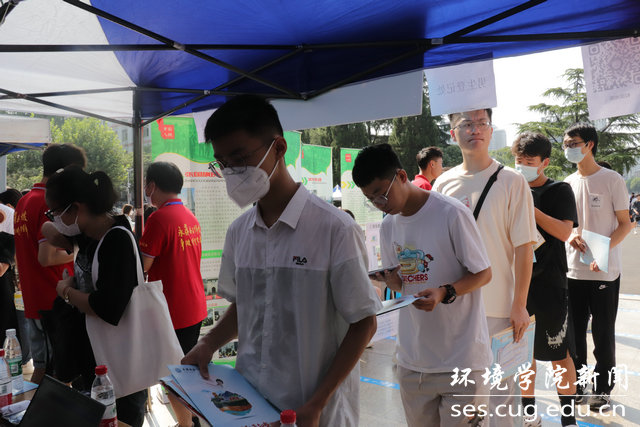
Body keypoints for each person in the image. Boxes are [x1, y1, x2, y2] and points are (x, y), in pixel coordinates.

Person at [183, 95, 382, 426]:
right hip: (250, 406)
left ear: (278, 148)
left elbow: (364, 322)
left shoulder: (334, 229)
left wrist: (316, 404)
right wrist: (208, 343)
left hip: (314, 411)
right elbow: (246, 306)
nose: (232, 172)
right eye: (223, 163)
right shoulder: (239, 232)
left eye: (240, 158)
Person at [353, 143, 492, 426]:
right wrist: (391, 280)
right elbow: (403, 284)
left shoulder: (451, 213)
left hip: (462, 361)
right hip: (413, 362)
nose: (380, 204)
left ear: (401, 176)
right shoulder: (389, 226)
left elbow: (484, 274)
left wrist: (445, 292)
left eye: (382, 194)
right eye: (371, 199)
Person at [432, 109, 536, 426]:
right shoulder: (443, 183)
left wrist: (519, 305)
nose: (474, 129)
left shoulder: (513, 181)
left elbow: (524, 248)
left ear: (491, 131)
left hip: (499, 310)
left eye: (481, 123)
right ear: (453, 134)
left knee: (500, 397)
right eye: (466, 124)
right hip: (456, 308)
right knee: (464, 395)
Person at [44, 166, 148, 427]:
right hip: (95, 361)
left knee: (120, 419)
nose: (54, 219)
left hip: (120, 366)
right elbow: (47, 230)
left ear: (76, 208)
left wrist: (66, 291)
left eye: (55, 212)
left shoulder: (117, 240)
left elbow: (108, 307)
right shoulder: (88, 236)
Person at [562, 123, 632, 410]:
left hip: (604, 271)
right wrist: (571, 235)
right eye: (566, 144)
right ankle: (579, 385)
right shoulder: (568, 182)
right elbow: (567, 225)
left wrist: (602, 251)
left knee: (603, 335)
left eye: (573, 143)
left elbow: (626, 224)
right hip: (573, 271)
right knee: (575, 335)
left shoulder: (611, 179)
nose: (568, 148)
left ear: (589, 144)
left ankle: (603, 390)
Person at [512, 132, 579, 427]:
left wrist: (531, 208)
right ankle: (530, 414)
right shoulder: (510, 190)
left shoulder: (559, 190)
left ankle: (568, 418)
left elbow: (565, 232)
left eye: (529, 162)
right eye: (518, 161)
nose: (522, 166)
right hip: (518, 286)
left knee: (558, 354)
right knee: (522, 354)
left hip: (550, 285)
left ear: (545, 163)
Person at [140, 161, 207, 427]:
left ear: (151, 186)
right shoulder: (189, 216)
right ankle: (191, 420)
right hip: (194, 305)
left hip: (173, 309)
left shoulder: (158, 218)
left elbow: (143, 266)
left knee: (172, 373)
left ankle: (186, 423)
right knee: (186, 371)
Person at [13, 143, 86, 384]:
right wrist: (81, 250)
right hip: (51, 301)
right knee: (52, 373)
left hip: (35, 298)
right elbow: (46, 257)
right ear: (64, 171)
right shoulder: (49, 201)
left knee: (47, 368)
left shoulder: (24, 201)